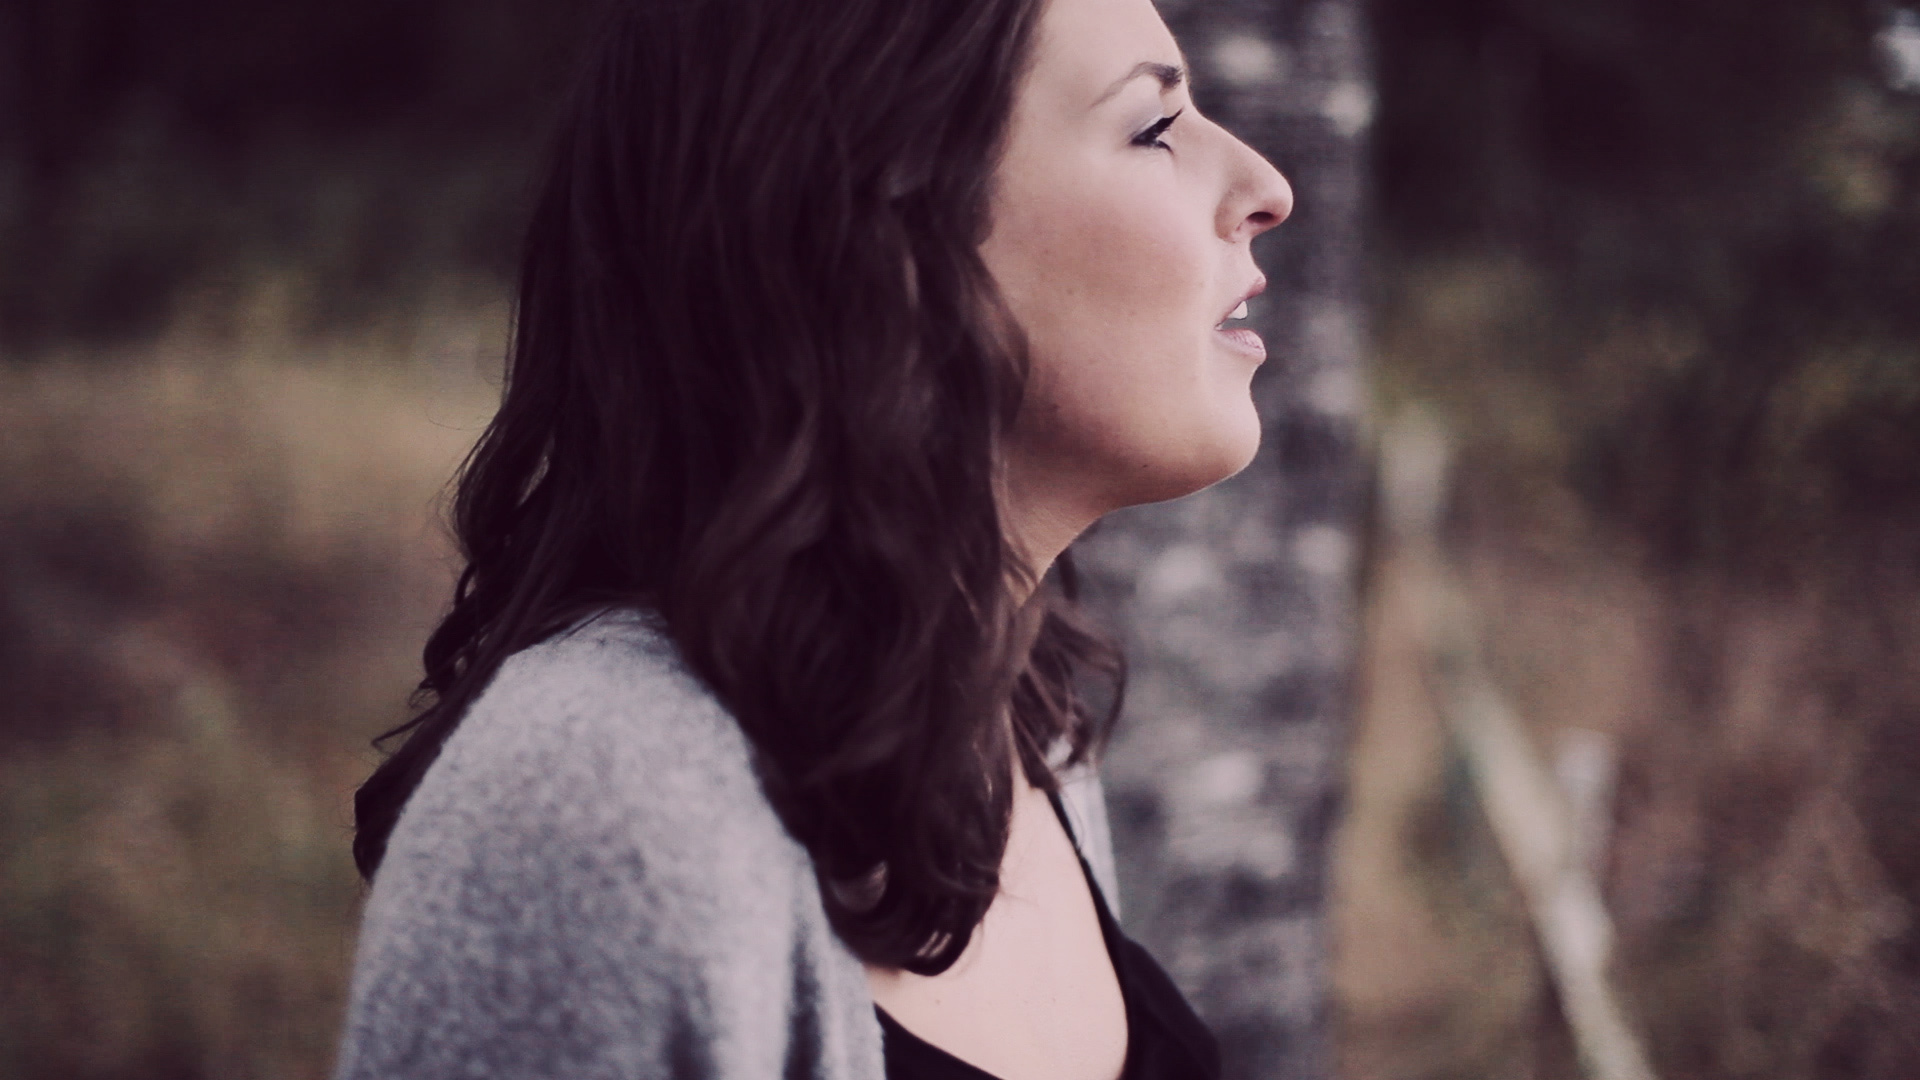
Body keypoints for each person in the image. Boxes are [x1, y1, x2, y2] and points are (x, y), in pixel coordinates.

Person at [330, 0, 1291, 1072]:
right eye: (1154, 128)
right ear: (880, 238)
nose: (1267, 186)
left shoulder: (1009, 712)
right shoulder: (591, 812)